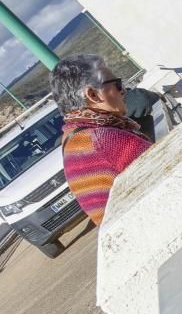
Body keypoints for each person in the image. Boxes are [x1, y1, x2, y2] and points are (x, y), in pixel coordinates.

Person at [50, 54, 153, 226]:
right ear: (93, 95)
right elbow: (167, 169)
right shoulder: (103, 139)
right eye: (117, 84)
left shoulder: (73, 138)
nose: (123, 90)